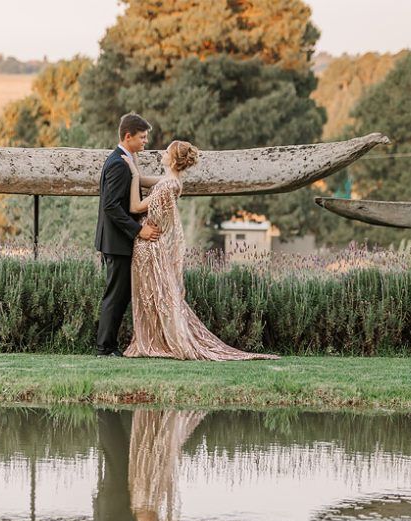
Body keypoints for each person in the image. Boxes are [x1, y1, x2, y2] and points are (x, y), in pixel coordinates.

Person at [120, 140, 280, 361]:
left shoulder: (167, 186)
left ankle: (157, 341)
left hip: (149, 244)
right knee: (153, 294)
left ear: (173, 160)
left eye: (166, 151)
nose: (162, 153)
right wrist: (134, 160)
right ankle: (156, 338)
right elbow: (144, 180)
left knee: (152, 294)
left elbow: (135, 207)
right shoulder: (172, 181)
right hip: (151, 244)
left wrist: (132, 173)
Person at [94, 113, 161, 357]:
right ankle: (105, 348)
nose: (145, 141)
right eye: (142, 137)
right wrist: (139, 230)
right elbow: (111, 206)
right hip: (116, 241)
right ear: (128, 136)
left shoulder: (124, 160)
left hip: (118, 240)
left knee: (119, 296)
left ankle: (108, 345)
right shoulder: (118, 164)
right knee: (115, 296)